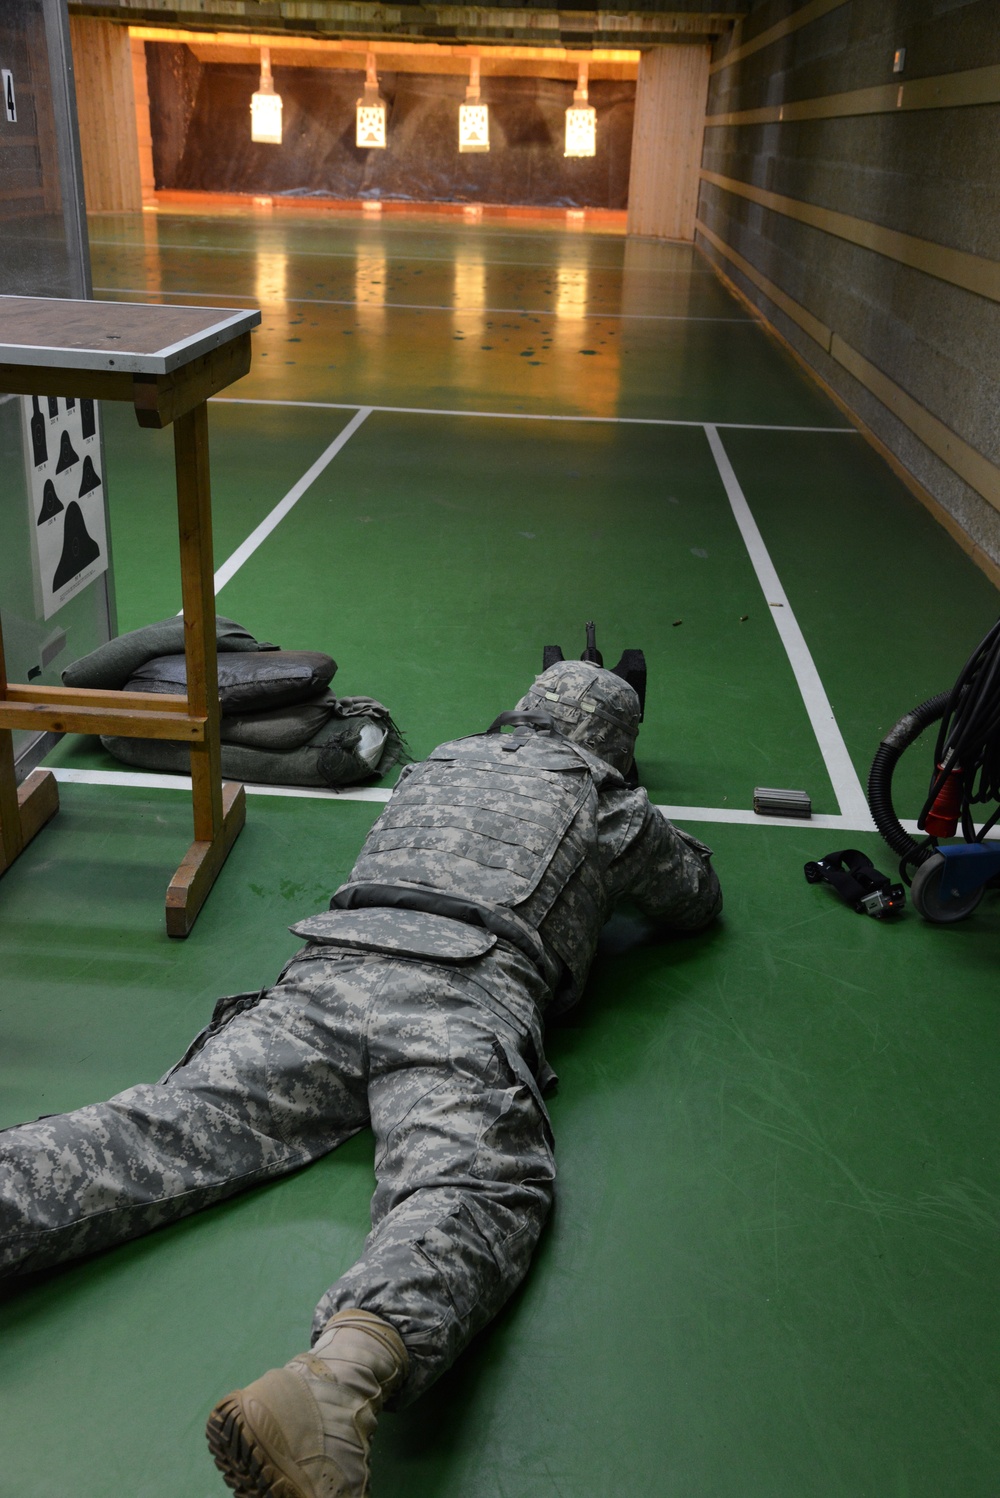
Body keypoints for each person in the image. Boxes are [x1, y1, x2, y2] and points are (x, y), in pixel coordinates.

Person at [0, 661, 721, 1498]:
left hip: (326, 971)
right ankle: (336, 1383)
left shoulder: (442, 761)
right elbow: (694, 899)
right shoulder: (611, 805)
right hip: (461, 995)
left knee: (164, 1125)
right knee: (476, 1184)